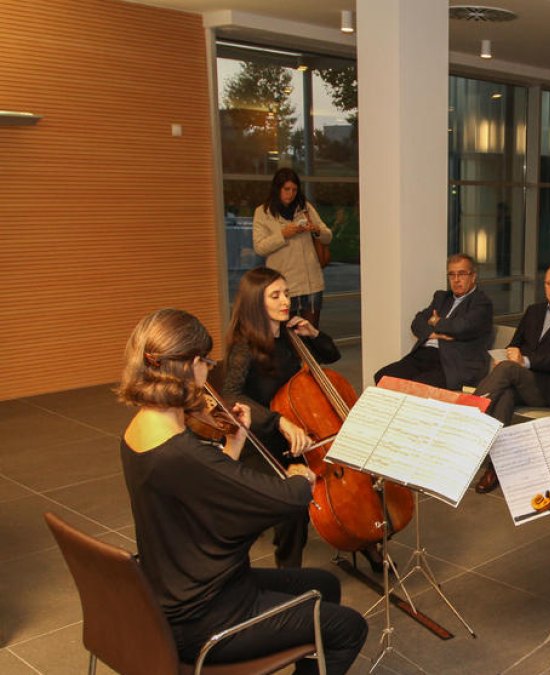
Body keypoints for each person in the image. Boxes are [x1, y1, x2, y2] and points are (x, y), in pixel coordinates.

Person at [117, 308, 366, 673]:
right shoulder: (182, 453)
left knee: (322, 583)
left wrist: (234, 444)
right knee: (348, 628)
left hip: (180, 586)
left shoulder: (139, 432)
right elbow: (286, 499)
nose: (208, 370)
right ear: (182, 367)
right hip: (207, 616)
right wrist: (299, 476)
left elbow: (211, 489)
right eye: (204, 360)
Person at [222, 267, 330, 568]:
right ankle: (289, 570)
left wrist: (314, 334)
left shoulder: (289, 336)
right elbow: (231, 396)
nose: (286, 301)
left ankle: (364, 541)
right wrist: (278, 421)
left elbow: (331, 356)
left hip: (298, 433)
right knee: (292, 497)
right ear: (257, 302)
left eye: (286, 293)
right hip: (259, 439)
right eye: (276, 295)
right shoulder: (245, 346)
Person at [472, 264, 550, 493]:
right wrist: (506, 356)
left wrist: (523, 361)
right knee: (505, 395)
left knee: (509, 371)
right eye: (549, 283)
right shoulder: (534, 311)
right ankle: (495, 468)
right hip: (521, 383)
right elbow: (515, 342)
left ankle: (469, 414)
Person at [373, 254, 493, 389]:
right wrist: (433, 335)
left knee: (416, 388)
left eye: (462, 274)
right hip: (423, 355)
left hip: (453, 363)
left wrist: (436, 322)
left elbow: (461, 327)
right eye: (452, 275)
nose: (456, 280)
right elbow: (417, 323)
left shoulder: (482, 303)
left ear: (473, 276)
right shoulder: (442, 297)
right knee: (382, 377)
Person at [252, 168, 333, 326]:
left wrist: (316, 230)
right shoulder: (263, 212)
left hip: (310, 283)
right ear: (277, 189)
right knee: (284, 336)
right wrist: (283, 234)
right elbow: (260, 247)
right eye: (286, 189)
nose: (291, 194)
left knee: (310, 335)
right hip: (283, 285)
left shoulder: (305, 208)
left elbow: (328, 236)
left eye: (294, 190)